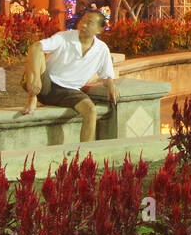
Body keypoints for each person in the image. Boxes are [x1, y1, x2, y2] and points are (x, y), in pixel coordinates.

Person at [20, 9, 119, 142]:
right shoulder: (64, 37)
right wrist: (36, 82)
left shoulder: (102, 49)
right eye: (83, 20)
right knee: (37, 49)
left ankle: (85, 156)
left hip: (70, 92)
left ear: (99, 29)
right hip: (47, 84)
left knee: (91, 111)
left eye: (89, 23)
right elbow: (35, 47)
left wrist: (111, 85)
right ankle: (32, 97)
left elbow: (106, 75)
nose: (83, 25)